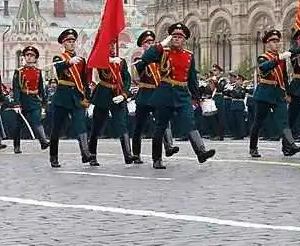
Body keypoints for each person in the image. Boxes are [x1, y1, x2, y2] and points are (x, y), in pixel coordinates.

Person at [139, 22, 215, 169]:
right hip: (165, 92)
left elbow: (192, 78)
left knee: (189, 122)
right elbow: (146, 58)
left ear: (184, 39)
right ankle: (157, 159)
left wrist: (196, 97)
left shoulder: (189, 56)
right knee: (160, 127)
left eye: (179, 37)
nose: (176, 39)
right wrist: (162, 43)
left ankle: (201, 152)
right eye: (173, 36)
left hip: (182, 94)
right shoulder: (163, 52)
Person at [248, 29, 300, 158]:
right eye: (273, 41)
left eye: (278, 41)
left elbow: (284, 77)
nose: (276, 44)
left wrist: (288, 92)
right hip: (265, 92)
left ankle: (290, 144)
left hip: (279, 92)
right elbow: (264, 67)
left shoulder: (281, 59)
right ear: (267, 43)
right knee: (258, 122)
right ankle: (253, 147)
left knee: (284, 120)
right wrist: (278, 58)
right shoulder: (263, 57)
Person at [130, 30, 179, 164]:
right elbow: (140, 68)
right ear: (142, 45)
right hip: (145, 95)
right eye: (147, 43)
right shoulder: (139, 60)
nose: (150, 45)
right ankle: (136, 153)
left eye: (152, 42)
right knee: (139, 126)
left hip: (157, 94)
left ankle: (168, 146)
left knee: (162, 122)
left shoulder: (159, 58)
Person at [48, 28, 92, 168]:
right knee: (56, 128)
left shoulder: (80, 60)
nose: (72, 44)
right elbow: (59, 68)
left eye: (73, 41)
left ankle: (86, 154)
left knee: (81, 125)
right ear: (63, 43)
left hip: (77, 97)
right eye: (69, 41)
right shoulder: (59, 58)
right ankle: (53, 156)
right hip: (62, 97)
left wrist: (87, 97)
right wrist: (69, 62)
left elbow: (85, 81)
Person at [88, 42, 135, 165]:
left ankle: (128, 154)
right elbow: (93, 60)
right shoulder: (100, 59)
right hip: (103, 95)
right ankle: (92, 155)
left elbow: (127, 79)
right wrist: (108, 59)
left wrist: (124, 94)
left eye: (113, 45)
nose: (112, 48)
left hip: (117, 95)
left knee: (122, 124)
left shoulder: (121, 61)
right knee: (97, 126)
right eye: (109, 45)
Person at [10, 45, 50, 154]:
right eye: (27, 55)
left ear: (35, 58)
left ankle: (43, 141)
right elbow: (16, 88)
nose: (29, 57)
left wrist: (43, 103)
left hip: (34, 100)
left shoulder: (38, 72)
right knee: (18, 125)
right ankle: (16, 146)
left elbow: (41, 88)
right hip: (23, 100)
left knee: (37, 121)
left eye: (31, 56)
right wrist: (17, 104)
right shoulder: (19, 72)